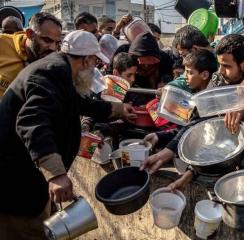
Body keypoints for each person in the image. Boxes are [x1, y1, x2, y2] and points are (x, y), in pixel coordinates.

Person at [0, 30, 136, 239]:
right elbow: (31, 122)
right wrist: (56, 173)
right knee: (26, 231)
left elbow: (78, 103)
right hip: (14, 181)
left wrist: (117, 109)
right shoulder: (48, 74)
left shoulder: (60, 70)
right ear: (85, 61)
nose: (95, 69)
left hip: (28, 176)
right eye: (94, 63)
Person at [140, 49, 218, 175]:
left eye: (189, 73)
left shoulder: (210, 101)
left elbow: (193, 129)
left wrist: (165, 153)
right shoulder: (195, 95)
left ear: (204, 75)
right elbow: (186, 126)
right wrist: (159, 136)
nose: (185, 77)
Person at [0, 12, 62, 98]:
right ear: (29, 34)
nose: (53, 48)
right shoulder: (2, 43)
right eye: (47, 40)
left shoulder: (55, 62)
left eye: (57, 43)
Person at [127, 32, 173, 105]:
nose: (146, 66)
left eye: (150, 62)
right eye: (143, 62)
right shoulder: (126, 56)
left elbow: (172, 78)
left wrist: (165, 84)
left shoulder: (165, 59)